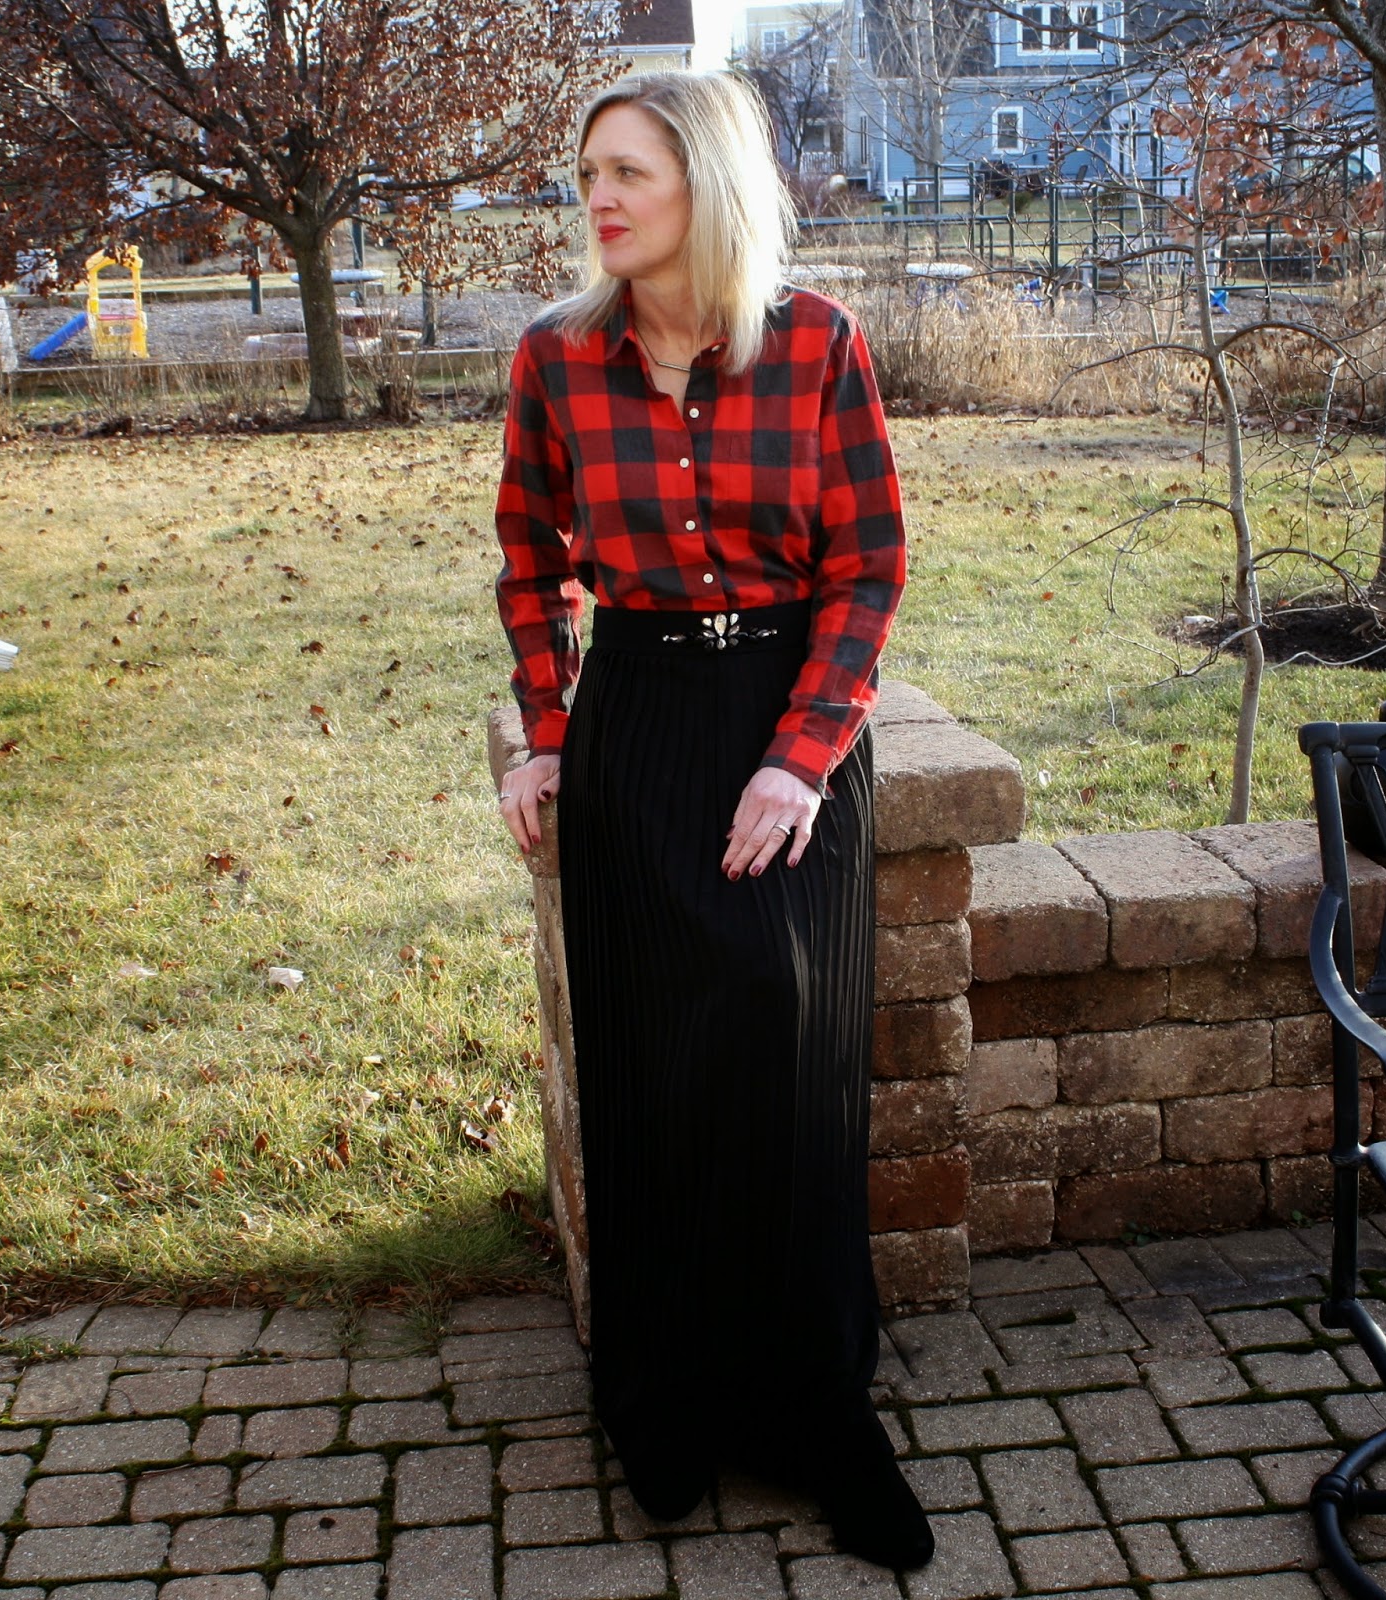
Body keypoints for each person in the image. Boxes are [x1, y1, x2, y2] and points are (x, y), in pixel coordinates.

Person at [493, 71, 930, 1573]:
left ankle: (817, 1413)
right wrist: (545, 737)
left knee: (787, 1054)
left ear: (709, 185)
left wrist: (801, 759)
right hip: (643, 721)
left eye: (630, 172)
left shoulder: (817, 346)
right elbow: (528, 563)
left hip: (782, 734)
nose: (599, 198)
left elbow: (869, 568)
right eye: (590, 174)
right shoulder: (555, 361)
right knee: (655, 1064)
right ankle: (663, 1400)